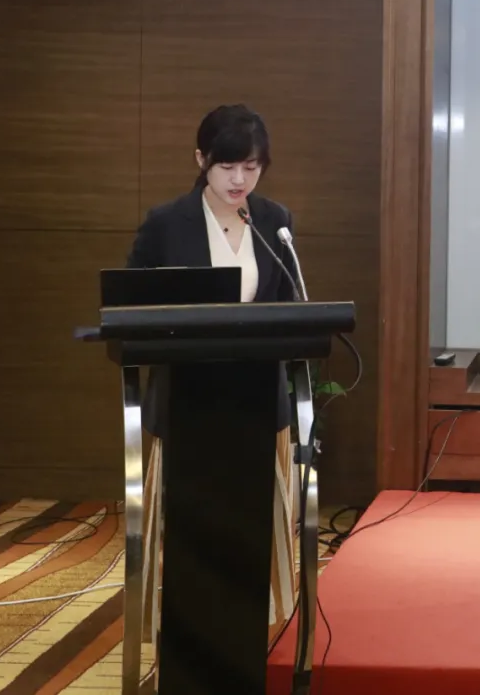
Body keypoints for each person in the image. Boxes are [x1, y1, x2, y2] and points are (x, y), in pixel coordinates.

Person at [125, 104, 299, 651]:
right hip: (187, 403)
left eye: (251, 166)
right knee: (188, 530)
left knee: (254, 530)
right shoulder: (166, 224)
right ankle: (183, 633)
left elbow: (289, 307)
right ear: (201, 159)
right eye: (227, 166)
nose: (239, 179)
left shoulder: (274, 221)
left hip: (256, 402)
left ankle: (256, 636)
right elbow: (130, 307)